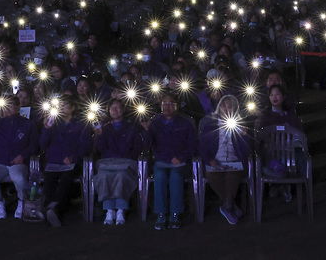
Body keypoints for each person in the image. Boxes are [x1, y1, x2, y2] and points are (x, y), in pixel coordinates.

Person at [145, 90, 198, 230]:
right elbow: (149, 145)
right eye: (164, 103)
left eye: (170, 103)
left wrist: (181, 157)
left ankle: (175, 213)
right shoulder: (155, 123)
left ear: (176, 106)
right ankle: (161, 213)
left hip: (180, 161)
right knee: (160, 176)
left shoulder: (185, 123)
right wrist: (147, 130)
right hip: (161, 160)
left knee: (175, 176)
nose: (167, 106)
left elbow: (192, 144)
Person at [92, 98, 145, 224]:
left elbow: (137, 146)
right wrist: (99, 135)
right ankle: (109, 210)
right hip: (107, 162)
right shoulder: (104, 128)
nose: (115, 110)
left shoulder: (131, 128)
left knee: (121, 176)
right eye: (112, 108)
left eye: (117, 107)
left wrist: (128, 156)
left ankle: (121, 209)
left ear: (123, 109)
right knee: (104, 176)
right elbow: (101, 148)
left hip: (125, 162)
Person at [199, 94, 250, 224]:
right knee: (211, 175)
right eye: (223, 106)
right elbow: (202, 148)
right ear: (218, 108)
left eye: (230, 106)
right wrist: (209, 160)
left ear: (235, 109)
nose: (226, 109)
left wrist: (244, 135)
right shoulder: (210, 126)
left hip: (235, 162)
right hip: (216, 162)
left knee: (232, 174)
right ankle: (230, 205)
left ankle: (227, 206)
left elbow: (247, 150)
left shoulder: (240, 125)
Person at [38, 95, 88, 226]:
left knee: (66, 180)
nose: (61, 107)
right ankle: (52, 209)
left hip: (71, 162)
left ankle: (52, 207)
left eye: (65, 105)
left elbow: (85, 145)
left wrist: (73, 157)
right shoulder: (52, 123)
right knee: (49, 181)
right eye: (60, 105)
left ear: (72, 107)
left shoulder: (79, 124)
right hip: (54, 161)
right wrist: (46, 129)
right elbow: (43, 144)